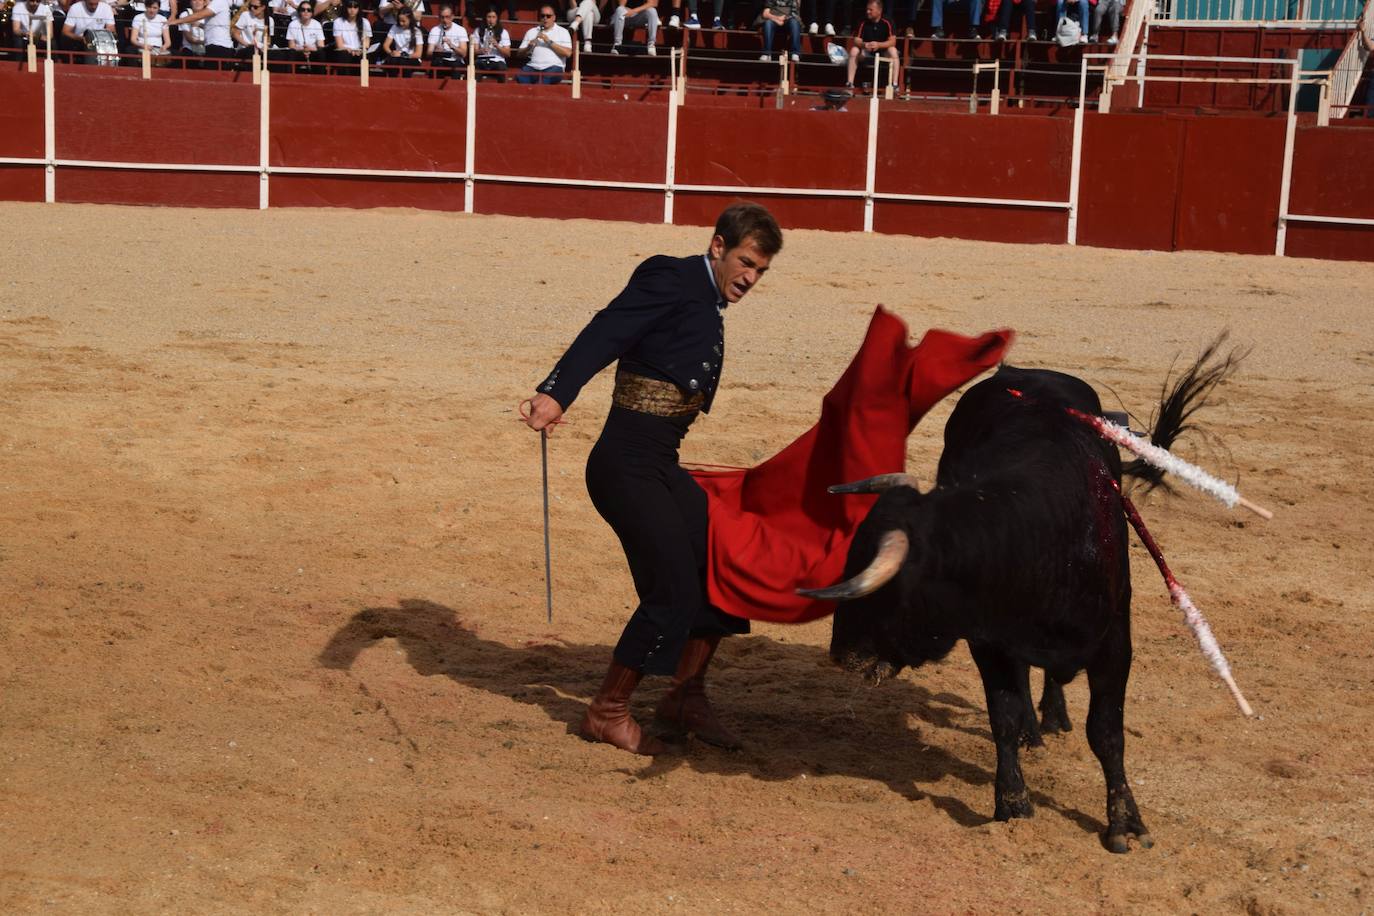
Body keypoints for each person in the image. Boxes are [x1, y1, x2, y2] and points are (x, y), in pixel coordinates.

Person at [524, 202, 783, 756]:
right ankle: (606, 711)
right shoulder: (670, 274)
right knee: (671, 589)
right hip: (625, 469)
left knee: (722, 559)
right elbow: (608, 330)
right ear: (718, 246)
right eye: (745, 262)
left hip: (659, 465)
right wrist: (556, 391)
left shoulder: (706, 298)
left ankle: (684, 698)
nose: (750, 278)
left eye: (760, 271)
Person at [845, 0, 895, 89]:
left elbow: (893, 41)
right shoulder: (862, 21)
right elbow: (856, 40)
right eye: (867, 9)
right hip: (866, 51)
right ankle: (850, 83)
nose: (868, 12)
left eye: (870, 10)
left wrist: (879, 45)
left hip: (883, 51)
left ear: (879, 11)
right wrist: (865, 45)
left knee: (893, 51)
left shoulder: (887, 21)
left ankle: (894, 85)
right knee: (854, 50)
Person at [168, 0, 234, 67]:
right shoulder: (213, 4)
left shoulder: (218, 2)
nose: (197, 2)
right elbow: (211, 25)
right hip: (210, 47)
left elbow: (199, 16)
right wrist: (200, 25)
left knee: (213, 73)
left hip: (219, 46)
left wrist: (176, 21)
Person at [517, 5, 570, 83]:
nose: (545, 18)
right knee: (519, 77)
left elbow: (568, 53)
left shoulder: (563, 32)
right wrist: (528, 47)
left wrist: (549, 42)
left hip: (553, 67)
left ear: (554, 18)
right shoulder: (532, 31)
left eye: (548, 16)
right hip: (533, 67)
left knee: (543, 80)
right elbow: (519, 54)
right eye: (542, 16)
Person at [426, 3, 467, 76]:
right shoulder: (434, 30)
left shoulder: (461, 30)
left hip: (455, 61)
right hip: (440, 61)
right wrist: (435, 50)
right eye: (442, 17)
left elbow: (464, 53)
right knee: (436, 64)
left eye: (447, 17)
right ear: (439, 17)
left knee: (456, 67)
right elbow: (428, 53)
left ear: (452, 17)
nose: (444, 20)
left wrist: (452, 46)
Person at [381, 5, 423, 75]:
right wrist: (391, 53)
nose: (401, 23)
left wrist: (402, 55)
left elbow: (418, 54)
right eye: (399, 21)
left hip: (410, 58)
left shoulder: (417, 32)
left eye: (403, 21)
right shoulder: (394, 27)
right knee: (393, 62)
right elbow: (386, 45)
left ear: (410, 19)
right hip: (396, 58)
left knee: (403, 63)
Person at [286, 0, 325, 69]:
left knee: (321, 53)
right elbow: (291, 46)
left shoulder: (317, 24)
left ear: (312, 12)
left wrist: (310, 49)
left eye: (309, 10)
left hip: (313, 51)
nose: (306, 12)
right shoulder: (293, 24)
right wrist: (302, 49)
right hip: (298, 51)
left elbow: (321, 45)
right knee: (291, 53)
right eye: (303, 10)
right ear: (299, 12)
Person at [472, 7, 509, 79]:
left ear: (497, 18)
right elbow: (474, 51)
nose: (491, 20)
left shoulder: (503, 32)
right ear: (485, 18)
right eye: (489, 17)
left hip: (497, 60)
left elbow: (507, 53)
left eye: (493, 17)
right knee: (475, 68)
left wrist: (497, 45)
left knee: (502, 69)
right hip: (482, 60)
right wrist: (481, 50)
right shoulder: (478, 31)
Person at [330, 0, 371, 65]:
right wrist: (350, 50)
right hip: (345, 51)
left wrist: (360, 50)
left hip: (359, 52)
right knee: (343, 55)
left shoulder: (365, 22)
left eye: (355, 7)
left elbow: (366, 43)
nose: (352, 10)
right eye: (349, 7)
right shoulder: (338, 22)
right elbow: (339, 45)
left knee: (365, 56)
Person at [232, 0, 270, 66]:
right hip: (245, 49)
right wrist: (247, 45)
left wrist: (264, 47)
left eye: (255, 7)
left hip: (261, 51)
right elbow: (235, 33)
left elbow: (268, 40)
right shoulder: (245, 15)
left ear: (263, 7)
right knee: (252, 50)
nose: (252, 8)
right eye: (250, 6)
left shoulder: (270, 20)